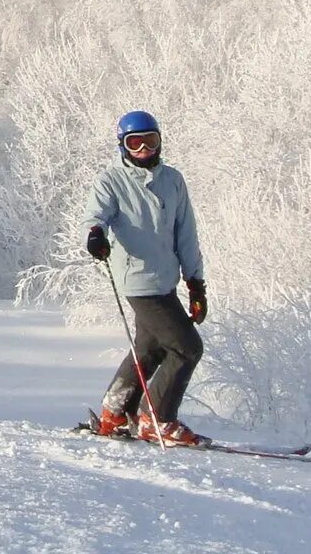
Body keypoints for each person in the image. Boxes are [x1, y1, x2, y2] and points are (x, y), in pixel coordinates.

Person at [84, 109, 208, 445]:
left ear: (159, 141)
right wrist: (96, 233)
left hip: (165, 279)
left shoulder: (173, 181)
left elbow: (187, 235)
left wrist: (195, 283)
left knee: (149, 348)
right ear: (122, 146)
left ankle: (115, 411)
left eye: (149, 141)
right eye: (134, 143)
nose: (143, 150)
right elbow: (96, 214)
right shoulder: (111, 180)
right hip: (137, 279)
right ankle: (158, 419)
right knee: (186, 348)